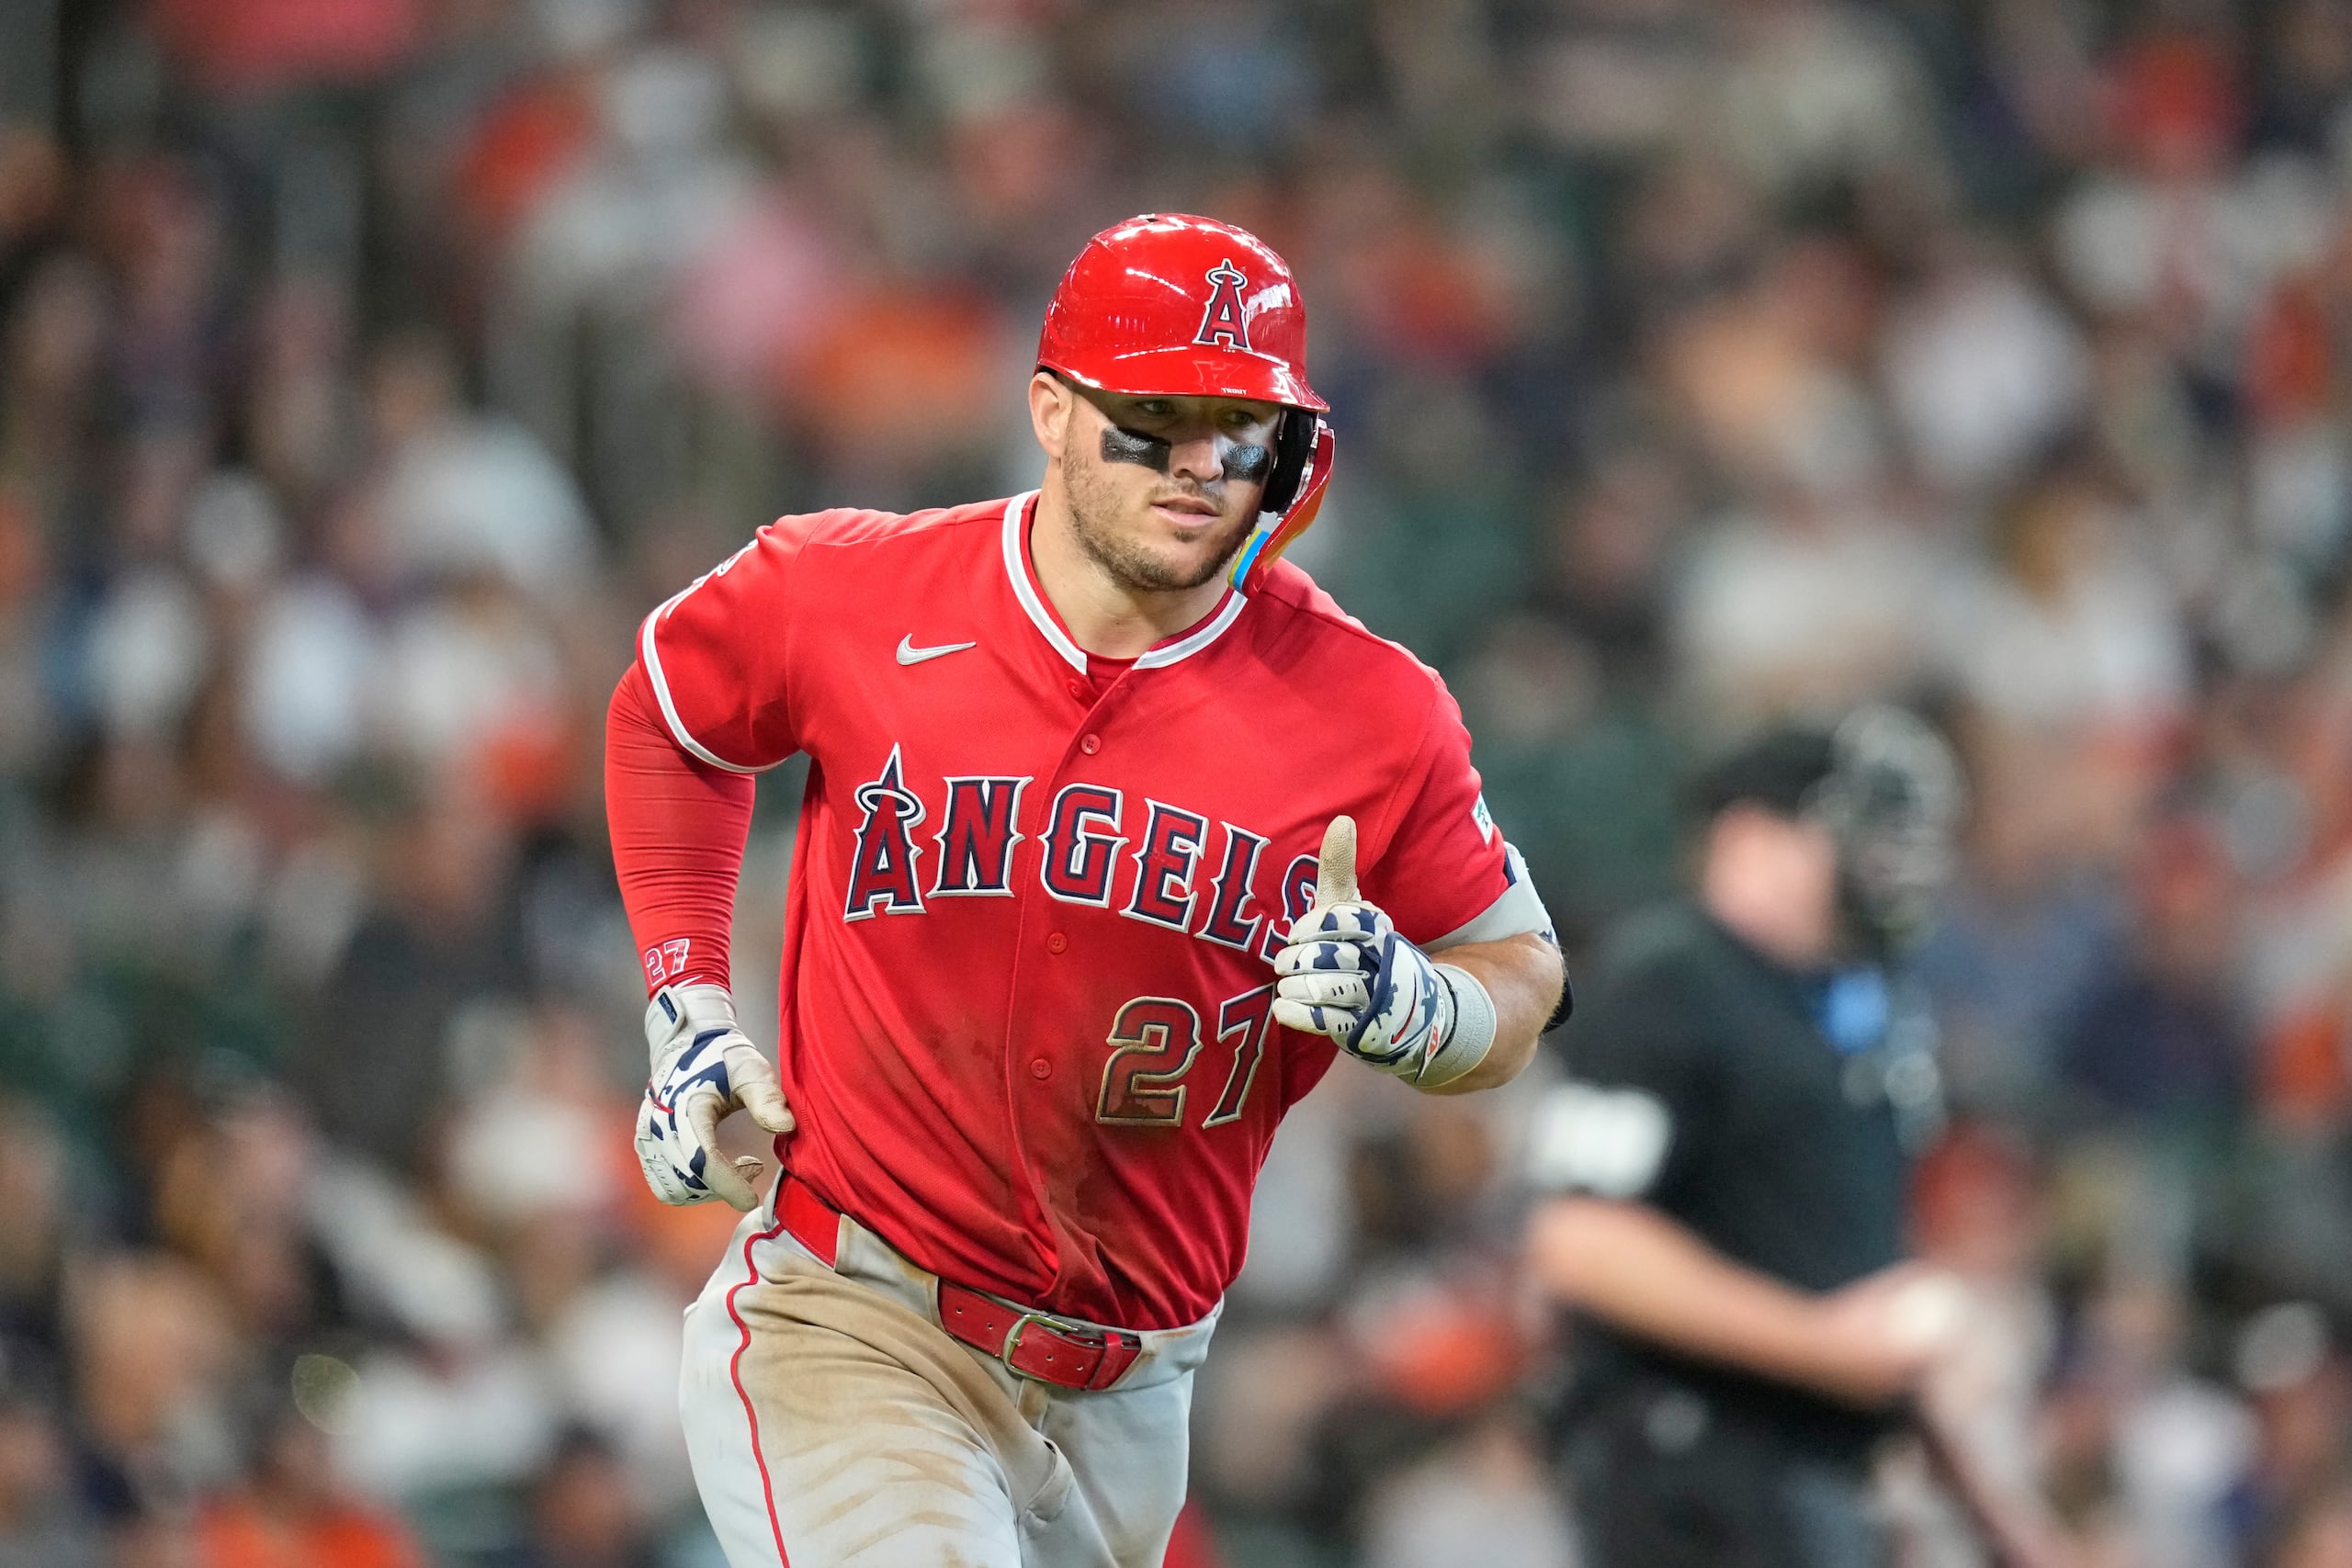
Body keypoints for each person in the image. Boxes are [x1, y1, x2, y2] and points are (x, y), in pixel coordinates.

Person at [603, 213, 1567, 1568]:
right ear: (1052, 412)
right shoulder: (846, 589)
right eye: (1154, 417)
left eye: (1239, 428)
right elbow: (668, 716)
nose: (1198, 466)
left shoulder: (1372, 707)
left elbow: (1522, 969)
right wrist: (684, 995)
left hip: (1136, 1389)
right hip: (858, 1314)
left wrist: (1428, 1011)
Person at [1522, 707, 1969, 1568]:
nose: (1884, 862)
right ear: (1751, 834)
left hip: (1812, 1474)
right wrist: (1822, 1344)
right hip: (1695, 1473)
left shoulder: (1844, 1003)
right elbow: (1580, 1239)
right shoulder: (1671, 979)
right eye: (1847, 831)